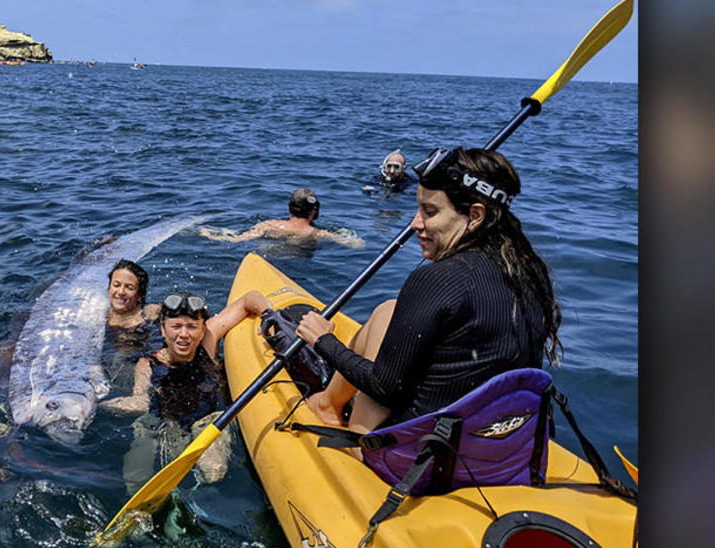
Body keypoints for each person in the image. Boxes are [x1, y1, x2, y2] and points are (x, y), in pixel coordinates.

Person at [296, 147, 561, 447]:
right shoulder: (529, 272)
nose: (415, 224)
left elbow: (384, 389)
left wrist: (324, 342)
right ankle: (328, 404)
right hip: (501, 452)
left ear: (475, 216)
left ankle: (331, 412)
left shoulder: (437, 278)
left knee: (383, 364)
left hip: (422, 462)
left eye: (429, 211)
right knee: (388, 310)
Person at [102, 289, 272, 493]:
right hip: (162, 424)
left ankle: (196, 495)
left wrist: (269, 315)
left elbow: (249, 298)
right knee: (137, 471)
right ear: (163, 330)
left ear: (202, 329)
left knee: (214, 472)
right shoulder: (147, 363)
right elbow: (140, 399)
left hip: (208, 420)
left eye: (192, 327)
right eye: (176, 326)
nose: (184, 334)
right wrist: (100, 405)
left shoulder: (208, 342)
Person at [199, 188, 364, 248]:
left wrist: (207, 233)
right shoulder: (318, 234)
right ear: (313, 213)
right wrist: (348, 234)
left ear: (289, 208)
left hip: (270, 253)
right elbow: (358, 246)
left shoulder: (268, 225)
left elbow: (236, 240)